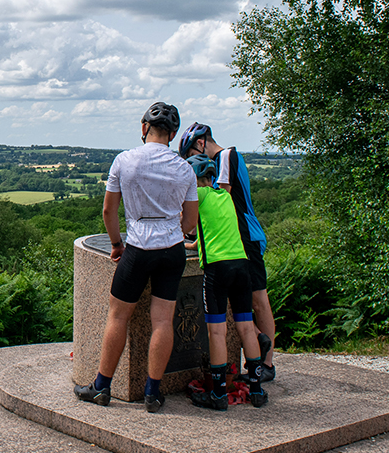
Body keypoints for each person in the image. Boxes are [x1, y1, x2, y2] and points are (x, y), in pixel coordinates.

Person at [74, 102, 199, 412]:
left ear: (144, 128)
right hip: (171, 250)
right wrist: (175, 231)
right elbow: (190, 223)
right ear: (172, 134)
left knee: (118, 316)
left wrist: (117, 244)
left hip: (138, 246)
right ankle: (153, 393)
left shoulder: (124, 161)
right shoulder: (185, 169)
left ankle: (102, 386)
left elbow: (108, 210)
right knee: (162, 321)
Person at [178, 122, 276, 380]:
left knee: (258, 301)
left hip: (246, 238)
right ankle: (257, 345)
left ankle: (266, 365)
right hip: (235, 241)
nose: (195, 162)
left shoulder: (226, 156)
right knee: (241, 303)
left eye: (192, 156)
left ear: (200, 143)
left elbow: (220, 195)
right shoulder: (221, 159)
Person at [184, 154, 268, 410]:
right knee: (245, 326)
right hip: (241, 265)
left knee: (217, 331)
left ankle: (218, 394)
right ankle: (256, 389)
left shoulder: (197, 197)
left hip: (217, 269)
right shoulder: (225, 197)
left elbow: (183, 222)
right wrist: (195, 244)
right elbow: (215, 228)